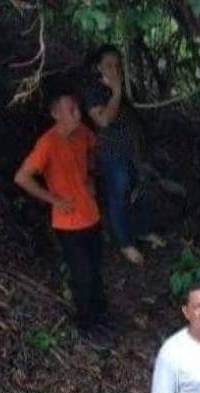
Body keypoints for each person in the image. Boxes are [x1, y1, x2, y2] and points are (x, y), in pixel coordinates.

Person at [13, 87, 112, 350]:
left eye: (77, 108)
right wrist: (54, 200)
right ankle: (86, 327)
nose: (77, 114)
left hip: (91, 215)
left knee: (95, 270)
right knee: (82, 275)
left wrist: (90, 175)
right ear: (56, 114)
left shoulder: (82, 133)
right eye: (70, 110)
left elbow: (93, 148)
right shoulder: (47, 144)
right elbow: (22, 177)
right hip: (67, 224)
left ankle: (101, 315)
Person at [83, 44, 165, 266]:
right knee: (118, 195)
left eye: (118, 65)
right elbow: (104, 120)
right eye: (109, 65)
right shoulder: (94, 91)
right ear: (98, 67)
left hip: (133, 150)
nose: (114, 69)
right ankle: (125, 243)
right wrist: (117, 91)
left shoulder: (126, 86)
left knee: (142, 191)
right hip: (112, 153)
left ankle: (140, 230)